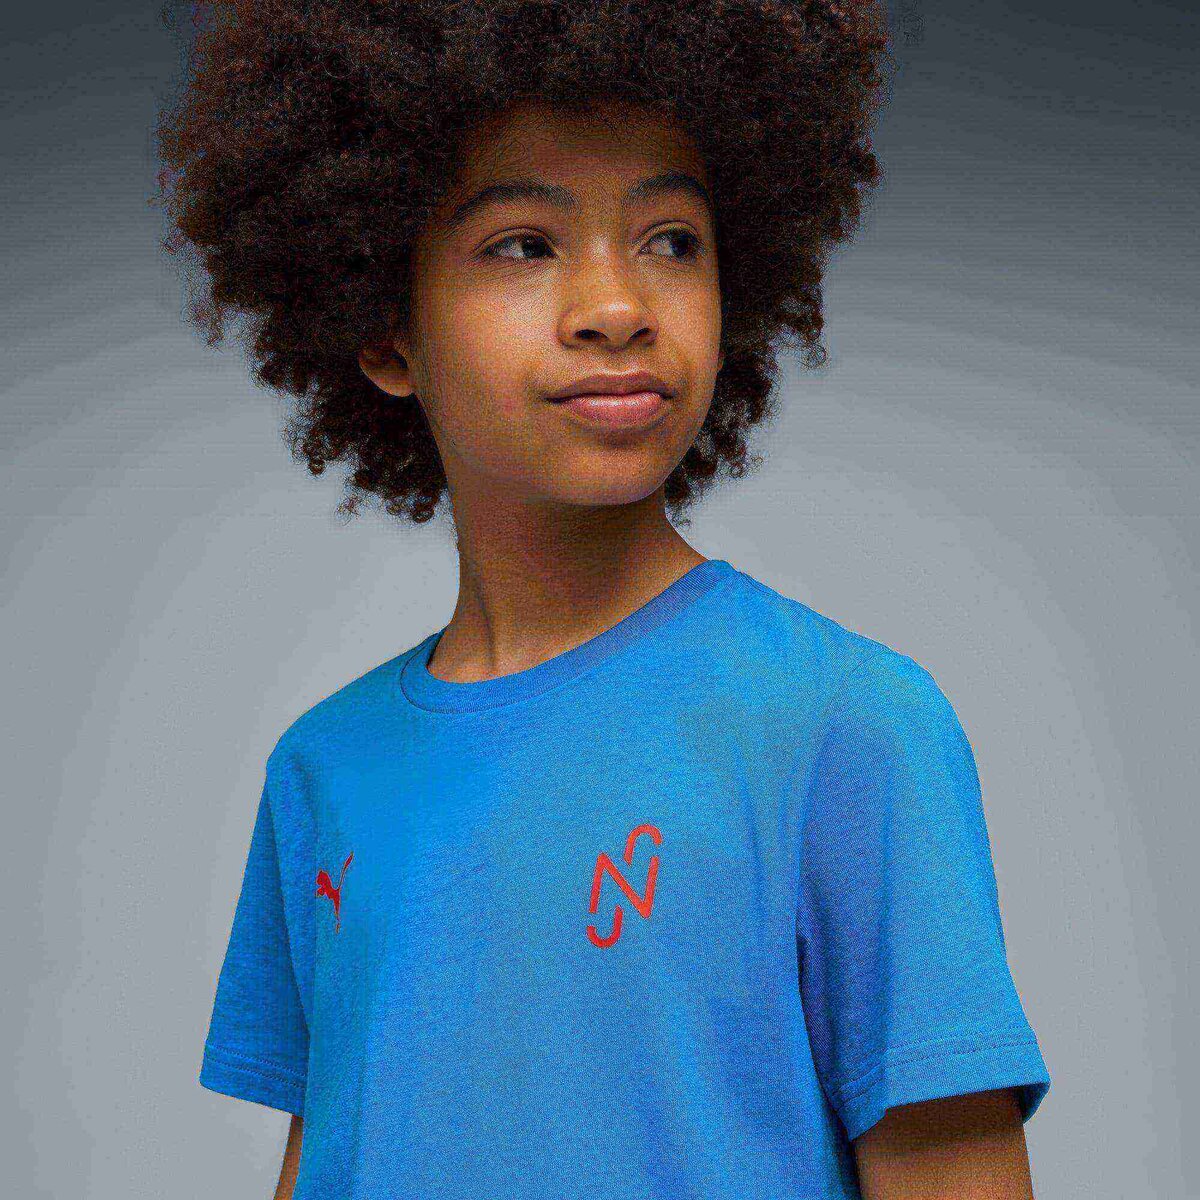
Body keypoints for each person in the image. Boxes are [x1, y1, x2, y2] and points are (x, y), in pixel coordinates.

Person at [158, 2, 1051, 1197]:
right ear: (384, 332)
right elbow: (334, 1158)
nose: (618, 305)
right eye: (523, 245)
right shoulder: (324, 769)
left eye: (672, 240)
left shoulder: (847, 729)